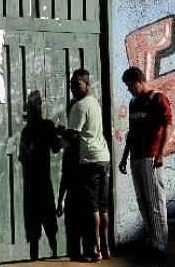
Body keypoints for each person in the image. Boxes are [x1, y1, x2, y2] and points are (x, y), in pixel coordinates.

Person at [119, 66, 172, 257]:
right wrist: (125, 157)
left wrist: (160, 154)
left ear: (139, 81)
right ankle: (150, 238)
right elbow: (131, 134)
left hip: (151, 157)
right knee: (143, 200)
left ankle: (160, 244)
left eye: (130, 85)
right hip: (136, 157)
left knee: (155, 200)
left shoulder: (157, 99)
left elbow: (167, 127)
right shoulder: (134, 102)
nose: (128, 89)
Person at [64, 69, 111, 262]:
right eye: (72, 84)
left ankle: (96, 250)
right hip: (103, 158)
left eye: (77, 84)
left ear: (87, 84)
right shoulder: (94, 102)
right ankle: (107, 248)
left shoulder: (79, 106)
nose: (73, 88)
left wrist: (59, 135)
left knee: (93, 209)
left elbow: (72, 135)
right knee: (103, 206)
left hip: (90, 161)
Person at [18, 90, 61, 260]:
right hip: (42, 182)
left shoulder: (26, 131)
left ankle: (35, 258)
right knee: (48, 220)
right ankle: (55, 254)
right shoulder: (46, 126)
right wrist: (61, 135)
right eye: (38, 104)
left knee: (34, 223)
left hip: (31, 183)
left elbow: (22, 157)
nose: (39, 107)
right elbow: (57, 147)